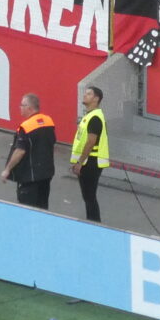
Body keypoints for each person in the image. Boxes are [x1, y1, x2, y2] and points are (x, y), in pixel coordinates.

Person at [1, 93, 56, 209]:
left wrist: (7, 169)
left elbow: (20, 151)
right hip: (46, 173)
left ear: (29, 108)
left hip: (30, 177)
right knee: (43, 206)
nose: (19, 108)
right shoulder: (48, 121)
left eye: (22, 105)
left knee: (27, 209)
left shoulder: (26, 126)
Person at [69, 84, 109, 222]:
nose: (85, 95)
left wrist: (80, 162)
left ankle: (94, 223)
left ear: (96, 99)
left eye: (89, 94)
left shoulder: (94, 118)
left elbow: (91, 141)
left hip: (91, 162)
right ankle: (92, 222)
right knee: (88, 196)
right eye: (85, 93)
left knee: (89, 196)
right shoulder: (89, 116)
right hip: (89, 161)